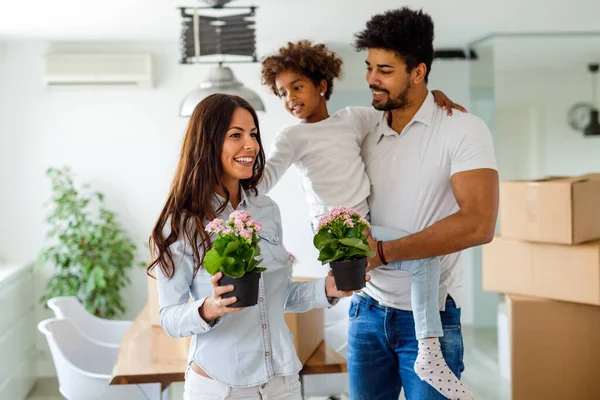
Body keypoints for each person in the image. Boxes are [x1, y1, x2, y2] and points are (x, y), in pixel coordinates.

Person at [259, 40, 472, 398]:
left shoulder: (353, 119)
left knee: (423, 256)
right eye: (282, 92)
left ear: (322, 85)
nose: (290, 97)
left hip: (363, 227)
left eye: (297, 86)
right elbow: (265, 179)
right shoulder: (292, 136)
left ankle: (427, 350)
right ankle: (430, 352)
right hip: (336, 232)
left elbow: (404, 107)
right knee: (423, 258)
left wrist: (434, 97)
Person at [147, 93, 356, 400]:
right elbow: (170, 318)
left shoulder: (266, 209)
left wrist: (327, 288)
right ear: (207, 144)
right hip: (220, 388)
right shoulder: (183, 223)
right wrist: (209, 307)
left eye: (254, 134)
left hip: (282, 384)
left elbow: (277, 294)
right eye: (236, 135)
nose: (251, 145)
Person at [350, 7, 499, 400]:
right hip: (366, 311)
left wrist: (384, 252)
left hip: (431, 316)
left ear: (418, 72)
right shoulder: (363, 129)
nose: (371, 79)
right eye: (369, 67)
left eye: (384, 70)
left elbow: (478, 224)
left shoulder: (463, 129)